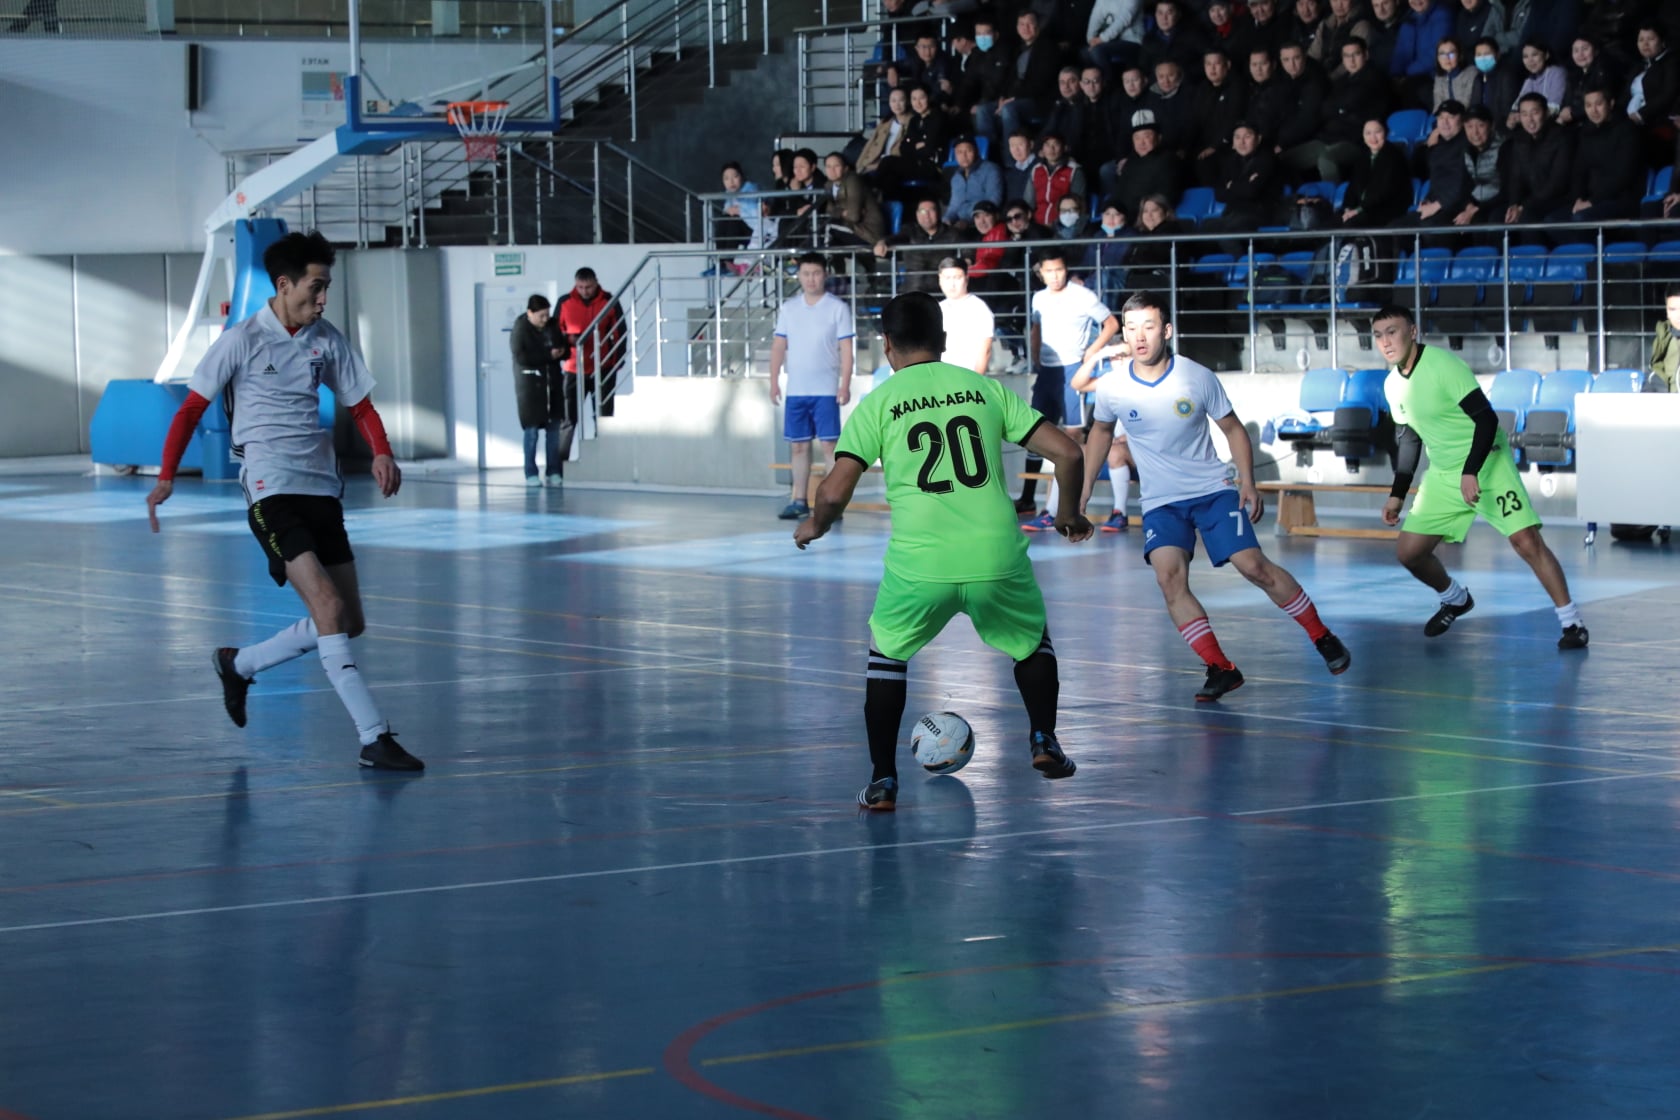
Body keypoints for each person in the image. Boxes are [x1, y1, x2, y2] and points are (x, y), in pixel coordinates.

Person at [792, 291, 1093, 810]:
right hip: (995, 558)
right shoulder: (983, 389)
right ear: (944, 340)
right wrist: (1068, 514)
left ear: (887, 345)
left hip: (920, 566)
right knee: (1030, 643)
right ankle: (1044, 738)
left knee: (887, 655)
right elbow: (1067, 452)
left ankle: (883, 780)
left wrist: (815, 524)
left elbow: (836, 490)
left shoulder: (879, 403)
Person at [143, 231, 423, 771]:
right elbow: (191, 409)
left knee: (348, 620)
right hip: (271, 491)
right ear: (284, 284)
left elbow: (361, 405)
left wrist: (382, 452)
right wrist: (167, 475)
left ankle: (240, 664)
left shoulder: (326, 339)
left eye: (327, 287)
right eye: (316, 287)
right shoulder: (243, 340)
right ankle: (374, 737)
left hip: (321, 487)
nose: (323, 298)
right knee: (327, 608)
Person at [1074, 291, 1352, 702]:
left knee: (1253, 566)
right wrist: (1082, 493)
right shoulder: (1113, 387)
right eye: (1131, 328)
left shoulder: (1196, 376)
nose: (1139, 336)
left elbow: (1234, 429)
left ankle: (1321, 635)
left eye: (1149, 326)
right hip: (1160, 502)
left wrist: (1248, 482)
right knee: (1169, 579)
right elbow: (1099, 433)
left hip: (1211, 491)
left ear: (1167, 331)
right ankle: (1221, 668)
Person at [1370, 304, 1588, 649]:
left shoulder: (1444, 366)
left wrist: (1471, 470)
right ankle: (1455, 599)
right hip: (1444, 474)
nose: (1385, 341)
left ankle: (1571, 622)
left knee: (1526, 542)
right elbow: (1409, 438)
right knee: (1409, 553)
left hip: (1488, 463)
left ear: (1412, 332)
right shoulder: (1392, 384)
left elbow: (1487, 420)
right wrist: (1397, 494)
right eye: (1378, 335)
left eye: (1392, 332)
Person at [1018, 247, 1119, 527]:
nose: (1055, 276)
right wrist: (1035, 355)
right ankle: (1028, 498)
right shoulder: (1038, 297)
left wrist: (1093, 351)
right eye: (1049, 271)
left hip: (1073, 367)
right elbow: (1036, 327)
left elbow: (1111, 324)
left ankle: (1070, 503)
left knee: (1073, 435)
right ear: (1041, 273)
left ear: (1066, 269)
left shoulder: (1082, 295)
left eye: (1059, 270)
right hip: (1046, 372)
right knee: (1035, 430)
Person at [770, 252, 854, 520]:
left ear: (825, 275)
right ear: (799, 276)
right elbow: (779, 346)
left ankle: (831, 503)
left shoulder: (837, 308)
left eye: (816, 273)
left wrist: (845, 384)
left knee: (830, 446)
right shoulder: (789, 308)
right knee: (798, 446)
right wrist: (773, 381)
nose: (811, 279)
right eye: (806, 274)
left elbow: (846, 349)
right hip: (797, 390)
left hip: (825, 389)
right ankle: (798, 499)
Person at [509, 293, 570, 487]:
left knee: (554, 431)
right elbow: (522, 357)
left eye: (547, 315)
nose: (545, 319)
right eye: (541, 315)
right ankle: (531, 472)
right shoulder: (520, 329)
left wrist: (561, 352)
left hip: (553, 384)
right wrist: (549, 355)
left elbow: (564, 349)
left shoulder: (552, 325)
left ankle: (553, 471)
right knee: (532, 431)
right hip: (530, 388)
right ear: (530, 313)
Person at [937, 257, 996, 373]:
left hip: (968, 377)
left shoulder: (979, 308)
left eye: (957, 278)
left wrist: (976, 380)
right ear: (940, 279)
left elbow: (985, 350)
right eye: (947, 278)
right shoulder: (937, 309)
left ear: (966, 279)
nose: (952, 284)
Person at [1647, 287, 1680, 392]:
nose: (1678, 315)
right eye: (1673, 309)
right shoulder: (1665, 335)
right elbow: (1656, 369)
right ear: (1667, 312)